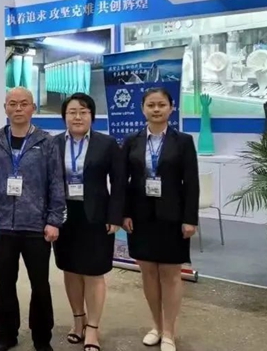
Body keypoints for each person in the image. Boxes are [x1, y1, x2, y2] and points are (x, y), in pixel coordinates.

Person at [0, 87, 66, 351]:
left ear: (33, 108)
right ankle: (6, 335)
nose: (18, 108)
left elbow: (56, 183)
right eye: (12, 103)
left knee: (40, 284)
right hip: (3, 225)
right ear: (5, 107)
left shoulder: (46, 142)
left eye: (23, 103)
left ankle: (42, 337)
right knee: (5, 283)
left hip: (37, 226)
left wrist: (54, 220)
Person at [121, 87, 200, 351]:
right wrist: (124, 213)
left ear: (171, 108)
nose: (156, 109)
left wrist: (190, 219)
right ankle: (156, 326)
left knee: (170, 274)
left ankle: (169, 332)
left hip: (172, 217)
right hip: (140, 217)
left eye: (161, 105)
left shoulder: (183, 141)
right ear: (142, 109)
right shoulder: (131, 141)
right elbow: (123, 181)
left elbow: (191, 183)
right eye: (151, 105)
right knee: (148, 273)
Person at [52, 93, 125, 351]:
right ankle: (78, 320)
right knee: (70, 270)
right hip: (64, 215)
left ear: (92, 116)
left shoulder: (107, 144)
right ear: (64, 117)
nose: (78, 117)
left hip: (96, 216)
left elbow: (119, 183)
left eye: (83, 111)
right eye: (72, 112)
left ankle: (93, 328)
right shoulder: (54, 144)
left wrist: (115, 215)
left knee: (94, 273)